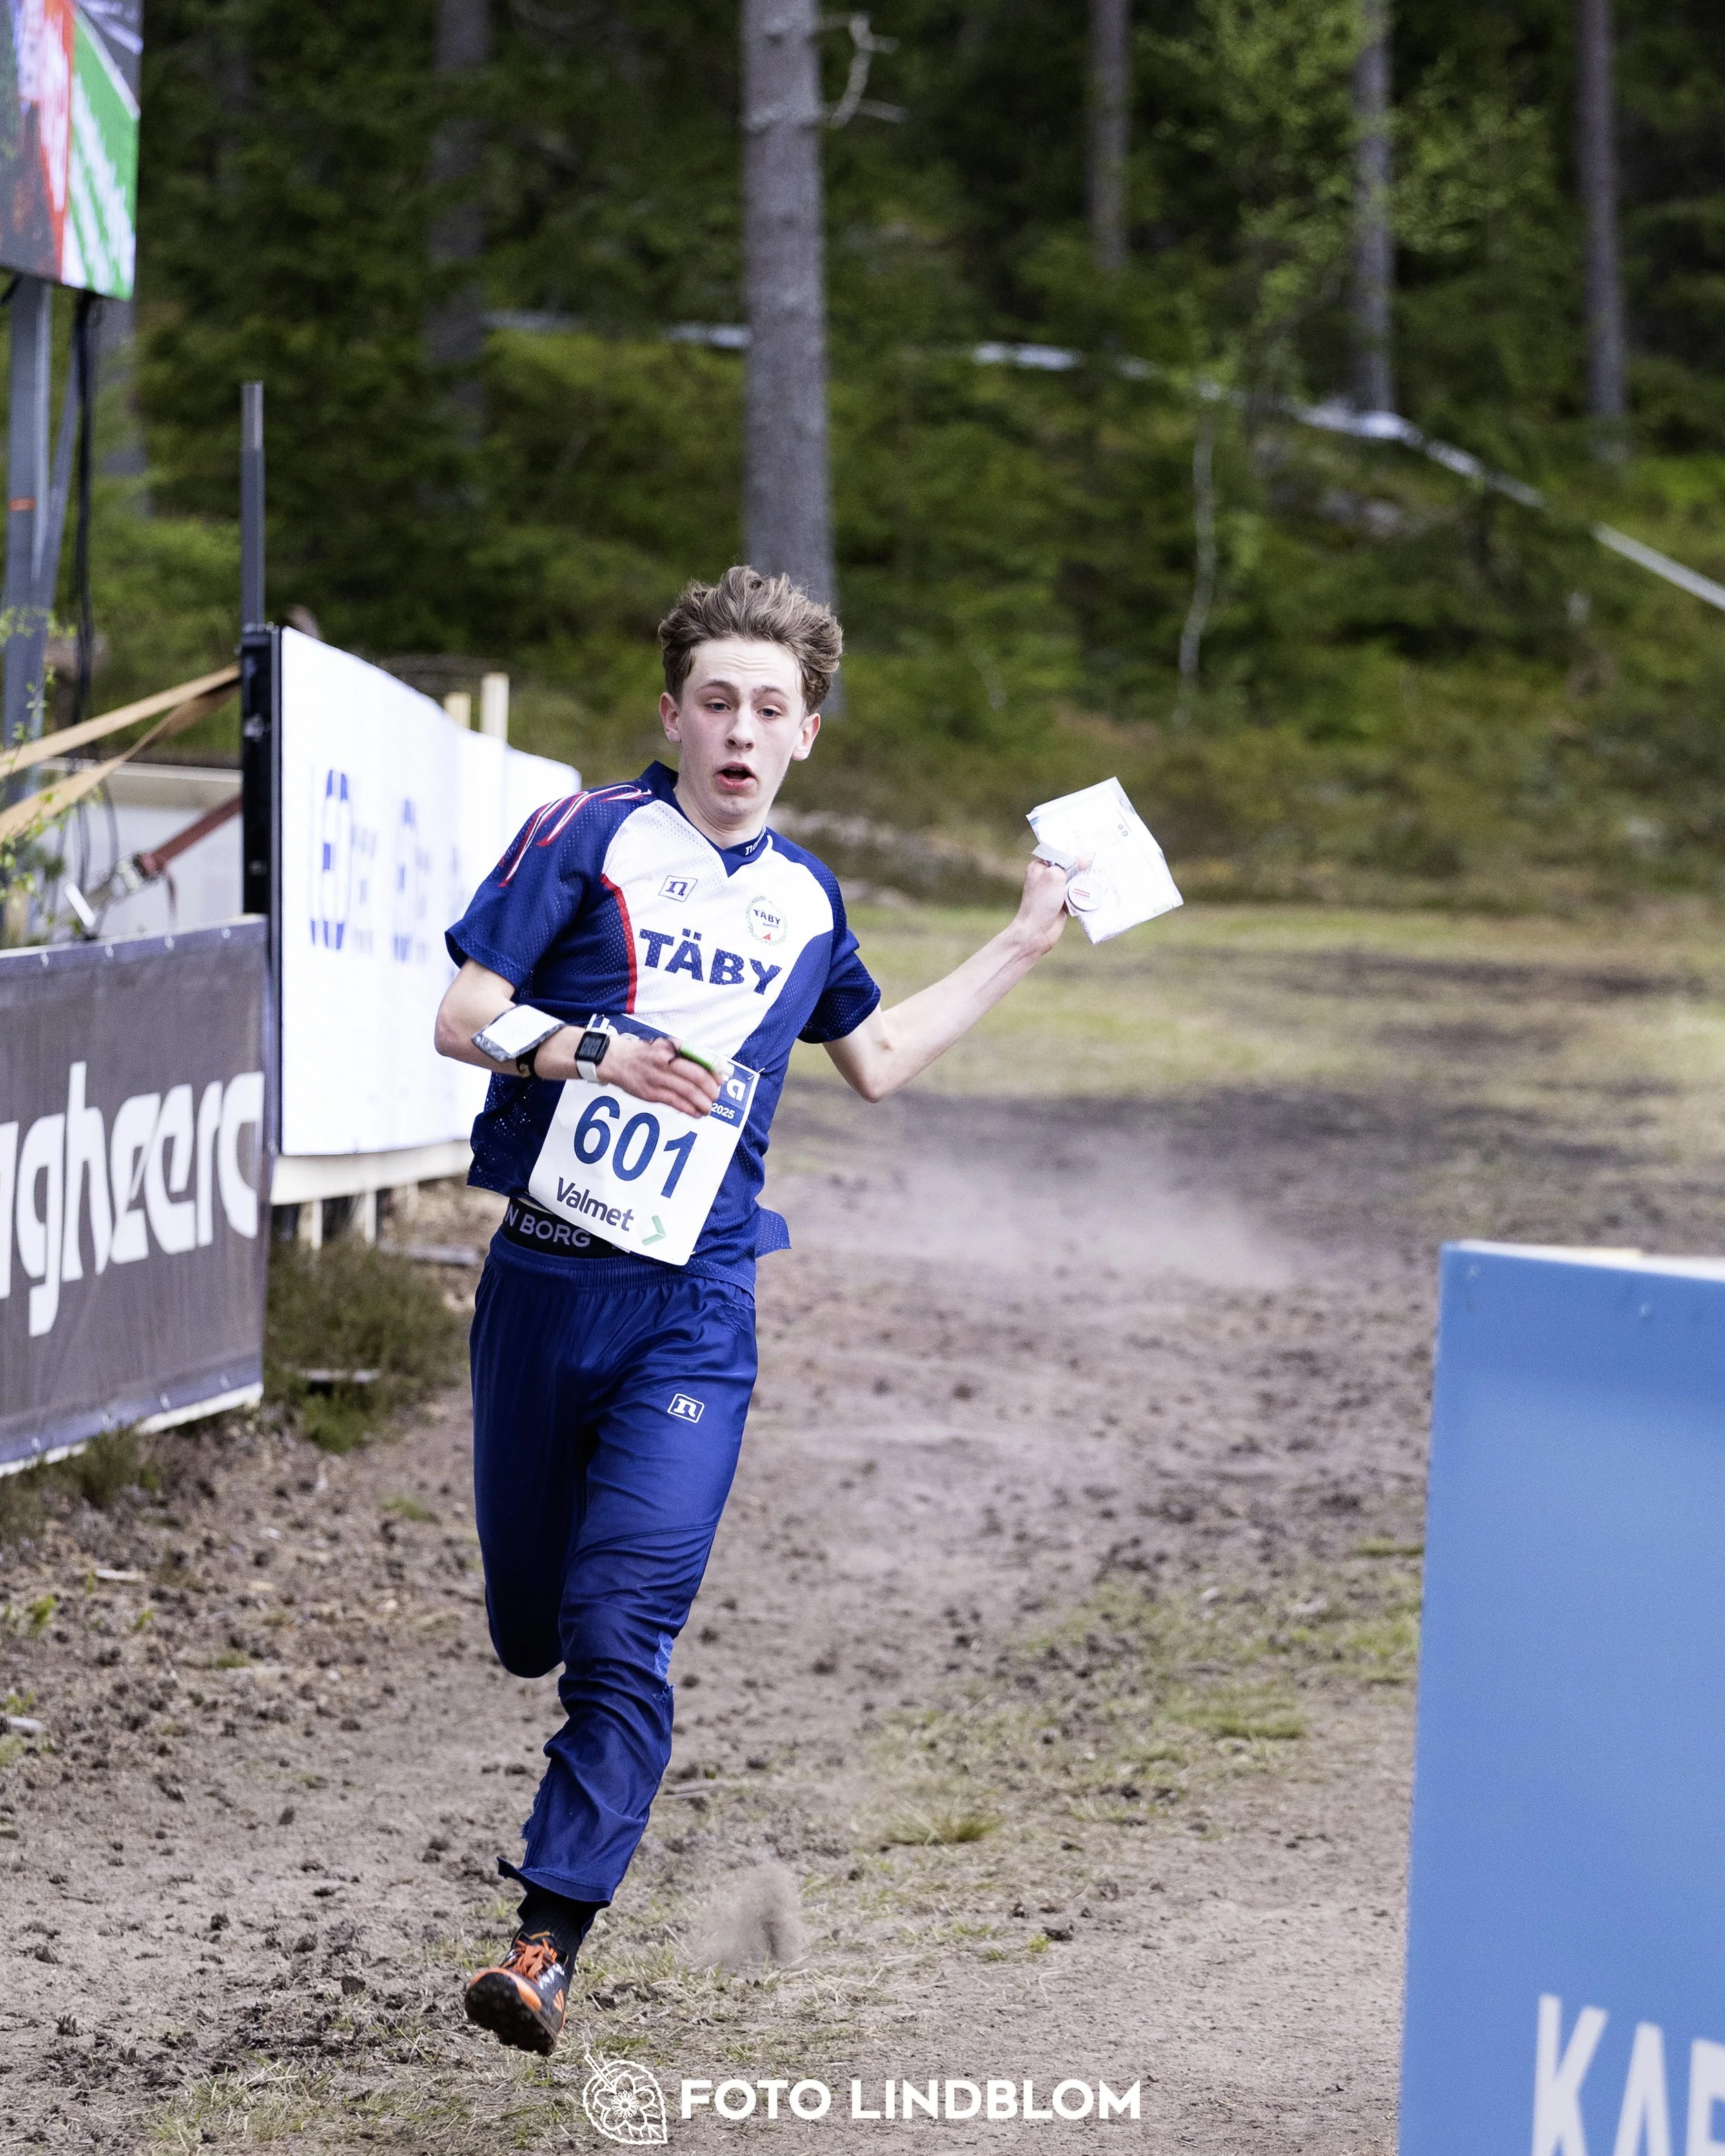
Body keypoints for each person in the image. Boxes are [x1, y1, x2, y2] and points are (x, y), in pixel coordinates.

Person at [435, 564, 1081, 2055]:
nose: (737, 728)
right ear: (672, 715)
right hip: (541, 1281)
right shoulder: (589, 836)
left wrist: (1024, 939)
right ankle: (550, 1722)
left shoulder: (806, 898)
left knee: (621, 1624)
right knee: (530, 1620)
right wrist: (585, 1049)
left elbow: (879, 1054)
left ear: (804, 737)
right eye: (713, 701)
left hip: (695, 1307)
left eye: (768, 708)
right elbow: (461, 1016)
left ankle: (545, 1941)